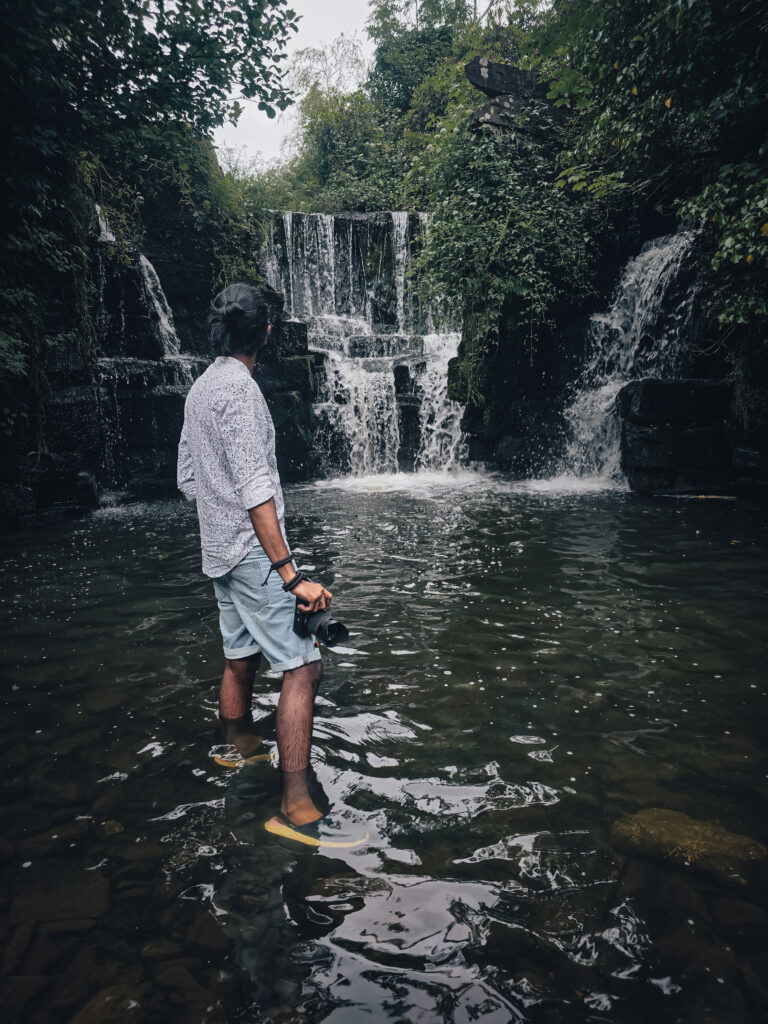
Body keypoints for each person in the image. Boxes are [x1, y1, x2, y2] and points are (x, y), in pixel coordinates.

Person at [177, 283, 365, 848]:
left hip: (220, 553)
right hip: (256, 555)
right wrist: (291, 575)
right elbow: (258, 491)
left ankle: (238, 752)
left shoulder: (201, 389)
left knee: (239, 658)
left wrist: (219, 515)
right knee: (303, 668)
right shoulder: (241, 392)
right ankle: (296, 804)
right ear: (264, 333)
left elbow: (187, 479)